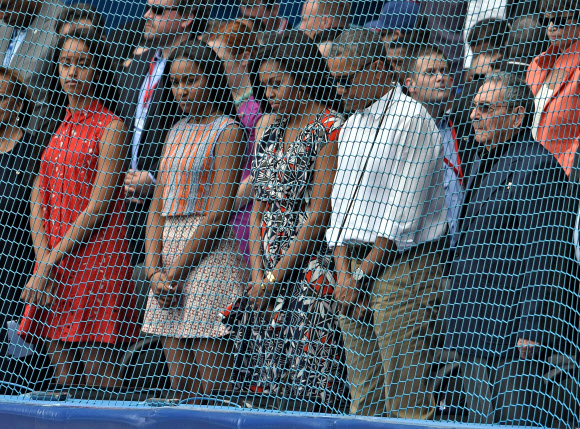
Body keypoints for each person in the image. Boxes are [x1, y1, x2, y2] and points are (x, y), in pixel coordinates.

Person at [437, 72, 575, 427]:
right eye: (474, 107)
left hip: (513, 332)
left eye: (485, 108)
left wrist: (532, 329)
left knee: (515, 420)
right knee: (481, 420)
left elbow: (547, 255)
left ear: (515, 116)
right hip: (475, 325)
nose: (473, 116)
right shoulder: (487, 160)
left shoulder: (538, 166)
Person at [222, 30, 348, 412]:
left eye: (277, 82)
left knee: (311, 381)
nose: (270, 93)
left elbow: (319, 214)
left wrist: (276, 277)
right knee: (269, 386)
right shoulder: (270, 130)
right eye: (264, 85)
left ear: (302, 73)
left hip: (309, 270)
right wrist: (260, 276)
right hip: (265, 275)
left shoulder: (329, 128)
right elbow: (258, 205)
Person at [326, 28, 448, 419]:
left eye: (346, 80)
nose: (339, 90)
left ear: (378, 69)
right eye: (335, 81)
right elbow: (339, 207)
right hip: (352, 271)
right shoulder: (351, 124)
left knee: (406, 398)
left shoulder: (413, 119)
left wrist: (357, 277)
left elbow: (401, 218)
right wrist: (343, 273)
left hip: (403, 268)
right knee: (366, 402)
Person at [18, 29, 139, 389]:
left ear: (98, 69)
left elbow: (100, 205)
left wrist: (48, 263)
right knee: (62, 383)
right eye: (65, 63)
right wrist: (44, 264)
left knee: (100, 383)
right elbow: (37, 200)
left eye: (82, 64)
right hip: (54, 266)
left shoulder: (112, 126)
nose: (72, 72)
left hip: (97, 261)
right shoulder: (53, 128)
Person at [140, 41, 247, 400]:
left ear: (211, 80)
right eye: (176, 82)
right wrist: (154, 270)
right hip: (167, 254)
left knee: (213, 386)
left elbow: (218, 212)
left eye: (191, 80)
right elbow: (156, 207)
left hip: (206, 255)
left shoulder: (227, 130)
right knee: (180, 386)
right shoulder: (174, 130)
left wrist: (176, 273)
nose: (182, 90)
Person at [115, 0, 208, 270]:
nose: (146, 15)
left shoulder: (197, 66)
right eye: (148, 7)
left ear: (187, 17)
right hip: (124, 207)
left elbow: (201, 130)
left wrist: (155, 179)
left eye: (157, 10)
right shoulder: (136, 63)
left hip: (175, 214)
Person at [207, 20, 263, 266]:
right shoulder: (217, 107)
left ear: (244, 58)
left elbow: (261, 172)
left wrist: (221, 204)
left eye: (218, 59)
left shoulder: (260, 106)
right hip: (216, 217)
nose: (211, 68)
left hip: (247, 216)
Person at [403, 44, 465, 248]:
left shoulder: (463, 129)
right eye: (430, 73)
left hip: (456, 248)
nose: (440, 78)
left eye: (444, 71)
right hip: (411, 252)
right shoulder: (399, 129)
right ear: (410, 84)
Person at [0, 0, 66, 147]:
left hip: (32, 146)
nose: (0, 15)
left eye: (6, 7)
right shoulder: (6, 23)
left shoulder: (61, 24)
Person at [527, 0, 580, 176]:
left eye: (559, 21)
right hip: (526, 171)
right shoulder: (536, 64)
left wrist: (567, 173)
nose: (551, 27)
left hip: (564, 178)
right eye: (546, 20)